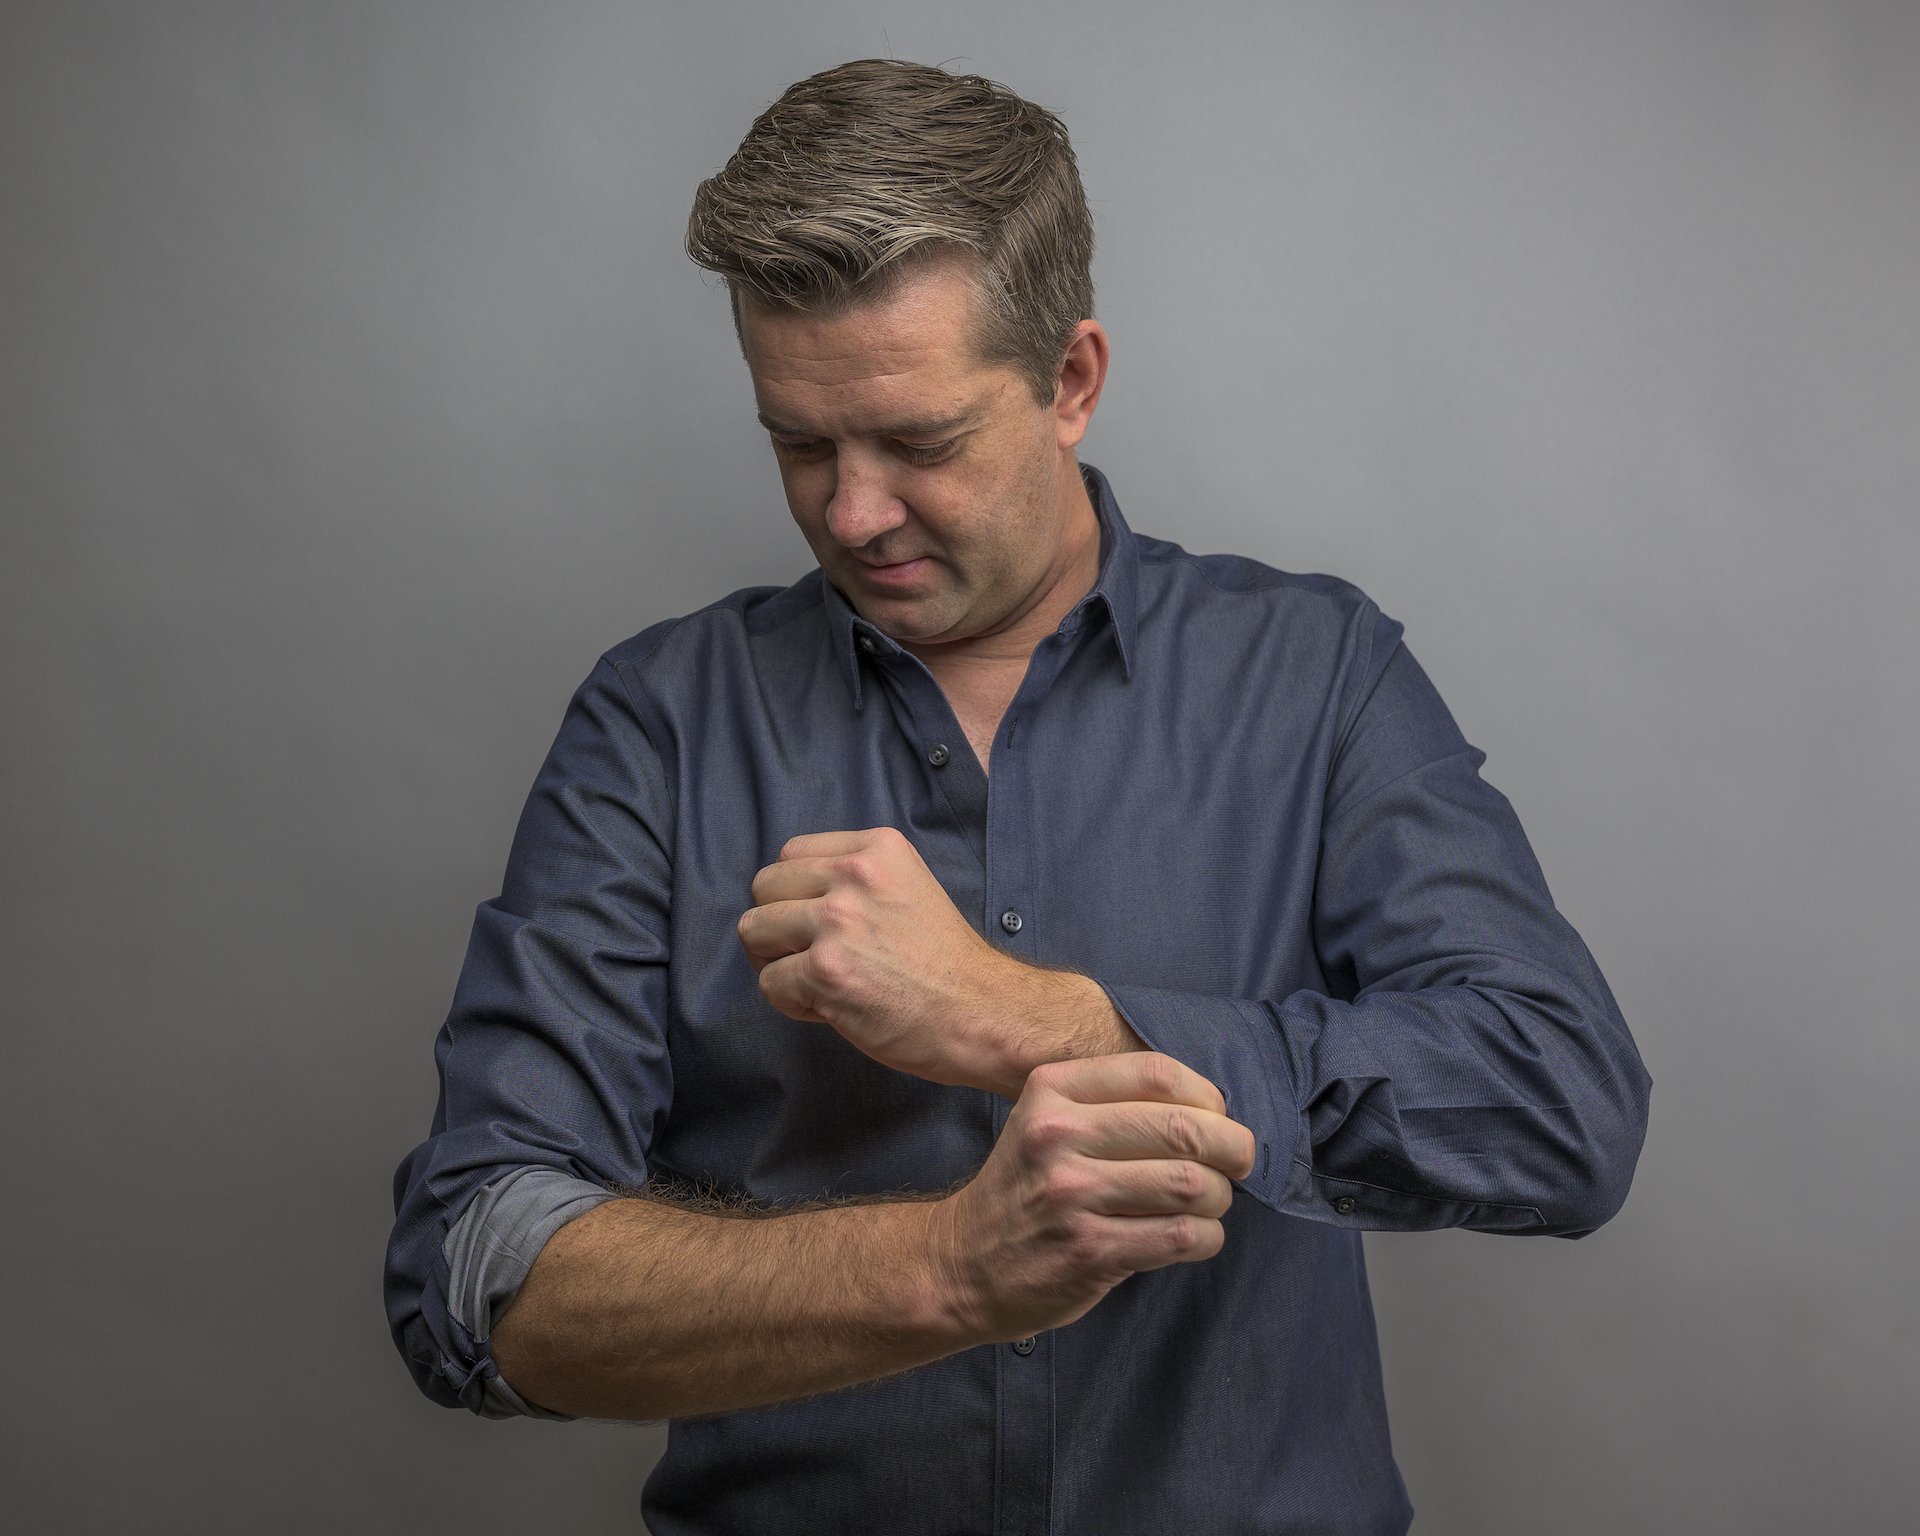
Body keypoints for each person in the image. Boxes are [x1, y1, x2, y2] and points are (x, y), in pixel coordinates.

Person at [384, 57, 1652, 1536]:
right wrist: (946, 1273)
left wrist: (1037, 1020)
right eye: (799, 444)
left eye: (919, 443)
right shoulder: (660, 725)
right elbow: (479, 1275)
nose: (853, 513)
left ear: (1071, 382)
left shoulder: (1316, 675)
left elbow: (1560, 1109)